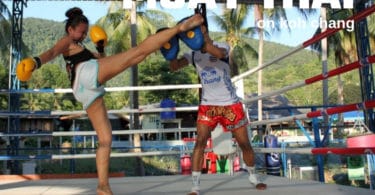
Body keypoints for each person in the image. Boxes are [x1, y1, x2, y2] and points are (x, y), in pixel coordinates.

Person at [16, 7, 204, 195]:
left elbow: (103, 61)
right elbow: (52, 52)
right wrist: (35, 62)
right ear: (70, 30)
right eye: (81, 32)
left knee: (105, 139)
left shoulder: (81, 48)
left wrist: (100, 47)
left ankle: (103, 186)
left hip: (84, 90)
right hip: (86, 75)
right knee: (137, 53)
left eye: (85, 33)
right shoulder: (67, 41)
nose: (83, 36)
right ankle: (180, 28)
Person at [168, 24, 267, 195]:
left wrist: (198, 42)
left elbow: (220, 55)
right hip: (208, 106)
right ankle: (195, 186)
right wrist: (170, 49)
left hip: (231, 104)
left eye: (201, 32)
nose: (199, 35)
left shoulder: (222, 46)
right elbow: (175, 67)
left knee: (244, 143)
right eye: (196, 33)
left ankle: (253, 176)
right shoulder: (193, 54)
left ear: (205, 32)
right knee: (200, 142)